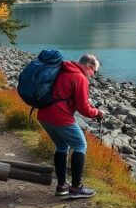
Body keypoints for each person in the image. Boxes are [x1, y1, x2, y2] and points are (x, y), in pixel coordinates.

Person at [37, 53, 104, 198]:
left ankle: (62, 186)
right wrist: (97, 112)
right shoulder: (80, 77)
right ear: (88, 66)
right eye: (94, 72)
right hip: (59, 116)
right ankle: (76, 187)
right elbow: (84, 108)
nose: (93, 75)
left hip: (43, 114)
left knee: (62, 147)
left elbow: (65, 95)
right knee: (80, 145)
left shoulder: (63, 68)